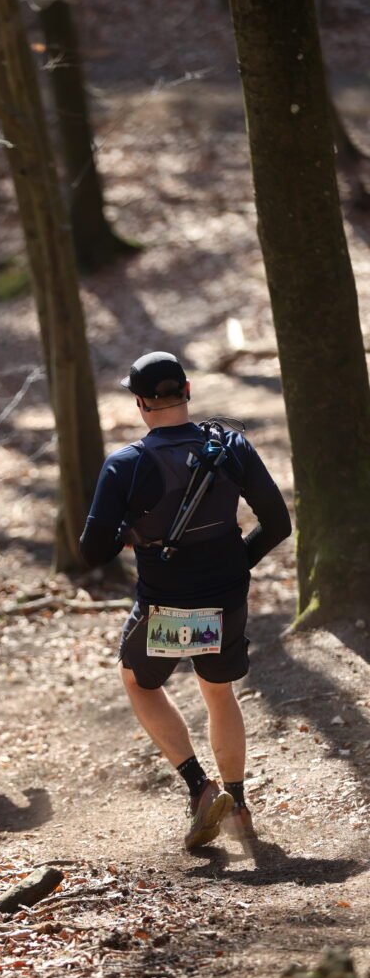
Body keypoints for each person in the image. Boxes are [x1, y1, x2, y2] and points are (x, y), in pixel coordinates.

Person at [80, 351, 291, 851]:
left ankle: (200, 788)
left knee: (138, 681)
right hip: (226, 599)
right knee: (218, 691)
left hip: (168, 607)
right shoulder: (231, 447)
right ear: (188, 391)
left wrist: (130, 533)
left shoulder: (126, 465)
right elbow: (278, 524)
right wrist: (237, 563)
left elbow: (91, 551)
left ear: (139, 403)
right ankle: (238, 806)